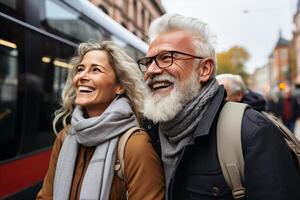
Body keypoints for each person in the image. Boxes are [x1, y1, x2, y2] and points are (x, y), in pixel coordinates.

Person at [137, 13, 300, 200]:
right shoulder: (146, 134)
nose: (151, 70)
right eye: (148, 62)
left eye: (166, 58)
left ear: (204, 69)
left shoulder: (253, 132)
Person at [37, 41, 165, 200]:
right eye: (80, 69)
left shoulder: (135, 144)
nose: (82, 76)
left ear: (120, 86)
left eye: (95, 70)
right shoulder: (65, 136)